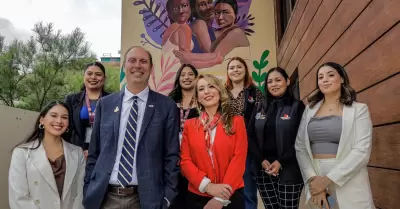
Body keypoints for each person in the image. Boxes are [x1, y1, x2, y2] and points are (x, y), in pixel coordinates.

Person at [83, 46, 180, 209]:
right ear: (124, 66)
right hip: (105, 198)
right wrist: (88, 188)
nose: (137, 65)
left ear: (150, 68)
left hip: (147, 200)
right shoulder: (105, 104)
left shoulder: (166, 106)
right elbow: (94, 152)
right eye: (132, 60)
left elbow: (172, 156)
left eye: (143, 61)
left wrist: (168, 196)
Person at [295, 62, 375, 209]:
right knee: (324, 207)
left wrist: (327, 180)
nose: (324, 80)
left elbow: (362, 151)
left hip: (347, 176)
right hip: (316, 176)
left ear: (342, 79)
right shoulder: (309, 110)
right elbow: (300, 146)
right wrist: (314, 181)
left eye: (330, 75)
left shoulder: (359, 110)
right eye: (320, 77)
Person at [180, 74, 247, 209]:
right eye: (201, 89)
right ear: (197, 97)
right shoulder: (189, 125)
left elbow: (239, 159)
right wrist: (208, 186)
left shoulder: (237, 121)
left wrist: (220, 198)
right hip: (198, 195)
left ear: (219, 91)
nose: (207, 91)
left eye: (211, 86)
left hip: (231, 194)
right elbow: (185, 161)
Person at [9, 101, 85, 209]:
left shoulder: (77, 153)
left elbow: (79, 194)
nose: (59, 121)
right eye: (53, 115)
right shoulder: (22, 152)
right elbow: (18, 197)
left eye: (64, 117)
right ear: (42, 120)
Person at [247, 67, 305, 209]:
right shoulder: (259, 107)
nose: (274, 84)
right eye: (270, 82)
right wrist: (261, 160)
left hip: (290, 168)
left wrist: (281, 161)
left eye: (278, 80)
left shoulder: (297, 107)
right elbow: (249, 136)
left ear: (287, 81)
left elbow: (302, 139)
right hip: (264, 169)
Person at [174, 0, 251, 78]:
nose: (220, 17)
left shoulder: (235, 32)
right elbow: (213, 55)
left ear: (235, 13)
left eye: (226, 12)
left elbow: (214, 55)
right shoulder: (201, 24)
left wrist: (189, 57)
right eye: (217, 13)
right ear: (193, 9)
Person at [225, 57, 263, 209]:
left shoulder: (254, 92)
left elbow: (261, 118)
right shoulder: (221, 92)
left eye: (239, 67)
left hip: (246, 147)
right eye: (232, 67)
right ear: (228, 72)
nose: (235, 70)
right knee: (226, 192)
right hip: (225, 147)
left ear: (245, 70)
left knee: (248, 191)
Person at [168, 64, 199, 209]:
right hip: (174, 159)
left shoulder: (203, 103)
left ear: (196, 77)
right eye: (183, 75)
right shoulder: (170, 103)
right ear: (178, 79)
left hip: (197, 160)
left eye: (190, 74)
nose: (186, 77)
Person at [65, 61, 109, 159]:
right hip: (76, 153)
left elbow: (113, 130)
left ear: (104, 78)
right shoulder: (71, 100)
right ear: (84, 76)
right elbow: (68, 128)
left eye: (98, 74)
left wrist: (95, 150)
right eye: (89, 74)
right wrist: (81, 150)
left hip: (103, 154)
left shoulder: (113, 99)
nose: (93, 77)